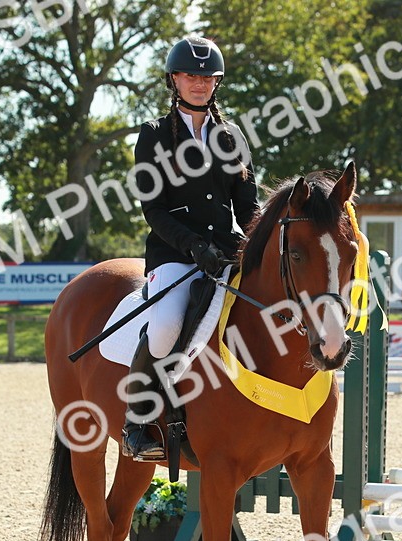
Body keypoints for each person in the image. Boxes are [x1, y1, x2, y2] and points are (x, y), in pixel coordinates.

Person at [121, 35, 259, 461]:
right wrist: (193, 244)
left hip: (225, 251)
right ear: (174, 80)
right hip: (174, 253)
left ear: (216, 82)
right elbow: (154, 210)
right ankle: (137, 420)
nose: (199, 83)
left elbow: (248, 204)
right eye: (190, 75)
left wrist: (252, 241)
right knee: (165, 328)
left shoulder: (232, 136)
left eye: (207, 76)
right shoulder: (154, 136)